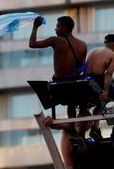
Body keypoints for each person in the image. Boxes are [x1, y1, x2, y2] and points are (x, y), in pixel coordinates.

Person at [29, 15, 87, 167]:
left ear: (65, 28)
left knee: (57, 94)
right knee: (73, 103)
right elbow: (82, 68)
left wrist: (35, 26)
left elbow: (32, 44)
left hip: (59, 87)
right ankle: (77, 131)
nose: (55, 29)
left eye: (58, 26)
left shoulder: (56, 41)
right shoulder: (82, 45)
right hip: (75, 86)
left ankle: (73, 128)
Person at [85, 34, 114, 141]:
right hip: (97, 80)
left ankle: (95, 128)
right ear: (113, 44)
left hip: (85, 81)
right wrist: (106, 91)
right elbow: (108, 75)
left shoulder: (94, 51)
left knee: (99, 104)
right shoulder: (113, 56)